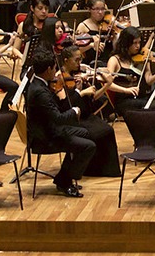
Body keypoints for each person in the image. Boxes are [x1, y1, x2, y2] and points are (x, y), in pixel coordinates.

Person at [25, 48, 96, 197]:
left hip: (49, 129)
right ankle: (65, 182)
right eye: (55, 68)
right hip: (45, 137)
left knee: (86, 133)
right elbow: (58, 118)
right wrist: (74, 111)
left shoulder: (39, 84)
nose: (57, 71)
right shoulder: (40, 91)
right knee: (88, 146)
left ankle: (63, 177)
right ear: (48, 69)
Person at [52, 45, 120, 177]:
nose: (80, 63)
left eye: (80, 60)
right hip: (73, 119)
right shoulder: (59, 78)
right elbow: (65, 105)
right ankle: (89, 168)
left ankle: (105, 170)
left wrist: (106, 85)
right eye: (76, 60)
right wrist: (80, 91)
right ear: (66, 60)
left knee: (108, 130)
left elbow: (93, 97)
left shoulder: (77, 76)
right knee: (98, 132)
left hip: (86, 115)